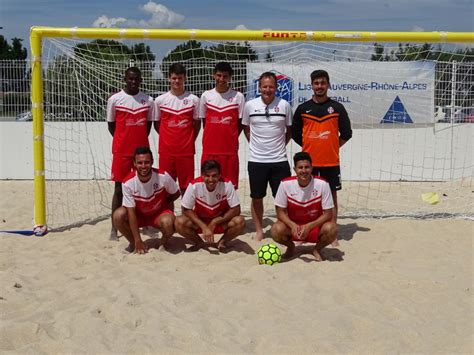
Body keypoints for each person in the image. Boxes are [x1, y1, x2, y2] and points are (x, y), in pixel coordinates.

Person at [292, 69, 352, 246]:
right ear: (311, 85)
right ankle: (308, 231)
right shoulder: (303, 109)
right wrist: (311, 147)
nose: (319, 86)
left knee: (331, 197)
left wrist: (332, 146)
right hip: (308, 165)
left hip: (330, 162)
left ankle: (331, 233)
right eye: (316, 83)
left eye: (322, 83)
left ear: (328, 84)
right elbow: (295, 134)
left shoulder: (337, 108)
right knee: (308, 197)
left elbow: (347, 133)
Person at [242, 71, 292, 241]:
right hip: (257, 161)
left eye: (271, 86)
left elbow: (289, 131)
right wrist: (257, 146)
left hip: (280, 160)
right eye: (265, 86)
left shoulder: (285, 105)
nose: (268, 89)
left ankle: (281, 228)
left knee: (283, 199)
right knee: (257, 197)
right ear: (259, 87)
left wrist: (278, 146)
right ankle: (259, 231)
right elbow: (246, 129)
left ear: (276, 88)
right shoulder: (249, 105)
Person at [107, 66, 154, 241]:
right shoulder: (115, 99)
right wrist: (123, 141)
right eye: (130, 78)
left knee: (144, 188)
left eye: (136, 79)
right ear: (125, 79)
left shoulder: (148, 100)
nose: (133, 81)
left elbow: (148, 126)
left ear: (140, 80)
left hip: (141, 154)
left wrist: (138, 144)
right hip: (121, 152)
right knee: (118, 189)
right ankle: (114, 228)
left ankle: (147, 223)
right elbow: (111, 125)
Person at [271, 152, 338, 261]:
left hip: (314, 227)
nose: (304, 171)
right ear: (295, 169)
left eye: (307, 167)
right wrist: (292, 225)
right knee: (275, 230)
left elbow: (328, 214)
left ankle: (317, 249)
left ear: (312, 168)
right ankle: (291, 247)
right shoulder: (285, 184)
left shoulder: (322, 184)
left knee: (332, 229)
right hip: (293, 228)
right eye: (300, 167)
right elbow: (280, 212)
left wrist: (309, 226)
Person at [113, 147, 180, 254]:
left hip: (158, 214)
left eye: (147, 162)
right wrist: (138, 239)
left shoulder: (163, 176)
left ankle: (163, 243)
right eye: (140, 163)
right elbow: (131, 212)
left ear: (152, 162)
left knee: (168, 221)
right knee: (118, 215)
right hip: (139, 215)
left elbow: (176, 193)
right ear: (134, 163)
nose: (143, 166)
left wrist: (165, 202)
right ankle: (134, 243)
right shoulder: (128, 182)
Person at [175, 160, 246, 252]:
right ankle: (199, 242)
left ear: (219, 175)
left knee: (240, 221)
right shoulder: (194, 185)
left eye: (214, 175)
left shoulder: (227, 184)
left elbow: (236, 209)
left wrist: (215, 222)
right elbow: (186, 209)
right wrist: (203, 226)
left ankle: (221, 243)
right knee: (179, 222)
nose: (211, 179)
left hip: (220, 222)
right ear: (202, 175)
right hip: (200, 223)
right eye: (207, 176)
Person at [154, 63, 200, 195]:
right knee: (167, 189)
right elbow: (157, 124)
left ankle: (186, 216)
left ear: (185, 78)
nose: (177, 81)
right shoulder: (160, 100)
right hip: (166, 151)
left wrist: (188, 139)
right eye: (174, 78)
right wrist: (167, 137)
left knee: (187, 188)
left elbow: (196, 124)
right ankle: (168, 215)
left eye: (180, 78)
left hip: (186, 152)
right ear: (169, 78)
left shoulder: (194, 100)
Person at [199, 62, 245, 188]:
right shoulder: (206, 96)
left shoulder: (238, 97)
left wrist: (230, 135)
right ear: (214, 75)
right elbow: (204, 122)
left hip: (229, 151)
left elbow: (240, 123)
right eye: (219, 75)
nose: (221, 79)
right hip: (210, 150)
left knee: (230, 188)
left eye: (225, 76)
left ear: (230, 77)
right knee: (208, 186)